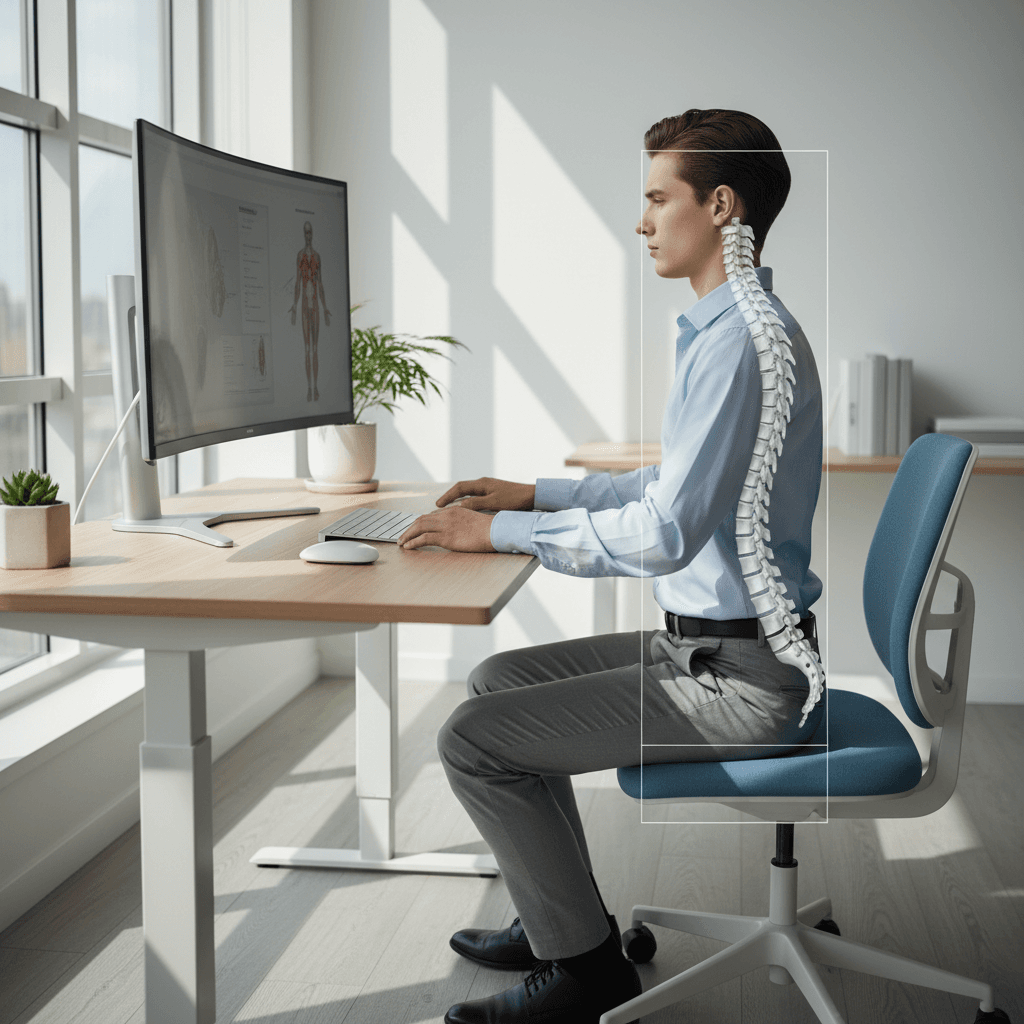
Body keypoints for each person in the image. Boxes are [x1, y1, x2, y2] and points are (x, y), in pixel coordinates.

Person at [397, 108, 824, 1024]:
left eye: (655, 197)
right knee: (496, 680)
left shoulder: (744, 342)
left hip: (741, 682)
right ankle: (563, 918)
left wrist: (498, 537)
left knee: (471, 741)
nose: (640, 221)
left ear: (718, 205)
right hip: (711, 652)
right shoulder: (724, 331)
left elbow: (665, 534)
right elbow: (667, 484)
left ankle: (588, 971)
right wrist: (535, 495)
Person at [289, 220, 331, 402]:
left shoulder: (317, 257)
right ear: (303, 234)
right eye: (305, 232)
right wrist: (294, 305)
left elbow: (320, 283)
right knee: (307, 349)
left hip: (315, 304)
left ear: (312, 234)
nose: (308, 236)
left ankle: (316, 388)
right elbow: (298, 282)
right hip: (305, 306)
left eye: (310, 232)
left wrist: (325, 307)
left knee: (315, 349)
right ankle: (309, 389)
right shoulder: (300, 257)